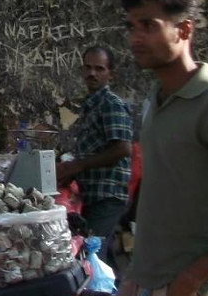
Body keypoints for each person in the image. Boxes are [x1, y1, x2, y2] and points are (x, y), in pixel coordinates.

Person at [119, 0, 208, 296]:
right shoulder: (155, 101)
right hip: (146, 282)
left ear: (184, 29)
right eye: (131, 27)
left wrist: (195, 275)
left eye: (148, 25)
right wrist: (136, 275)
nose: (136, 37)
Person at [56, 45, 132, 261]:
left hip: (107, 195)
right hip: (91, 195)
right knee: (97, 256)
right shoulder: (91, 106)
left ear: (110, 74)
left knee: (92, 256)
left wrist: (77, 166)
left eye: (99, 69)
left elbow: (122, 148)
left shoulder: (111, 104)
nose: (92, 73)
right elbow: (93, 150)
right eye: (88, 68)